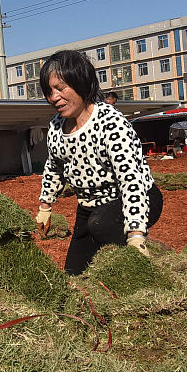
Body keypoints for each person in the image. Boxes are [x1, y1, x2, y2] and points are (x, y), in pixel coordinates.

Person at [33, 50, 162, 275]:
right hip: (90, 207)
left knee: (102, 228)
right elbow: (54, 168)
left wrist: (136, 235)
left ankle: (144, 266)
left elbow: (131, 181)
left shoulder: (111, 124)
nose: (54, 98)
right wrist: (45, 206)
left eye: (60, 89)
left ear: (82, 84)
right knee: (74, 273)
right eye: (49, 92)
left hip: (136, 198)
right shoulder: (56, 126)